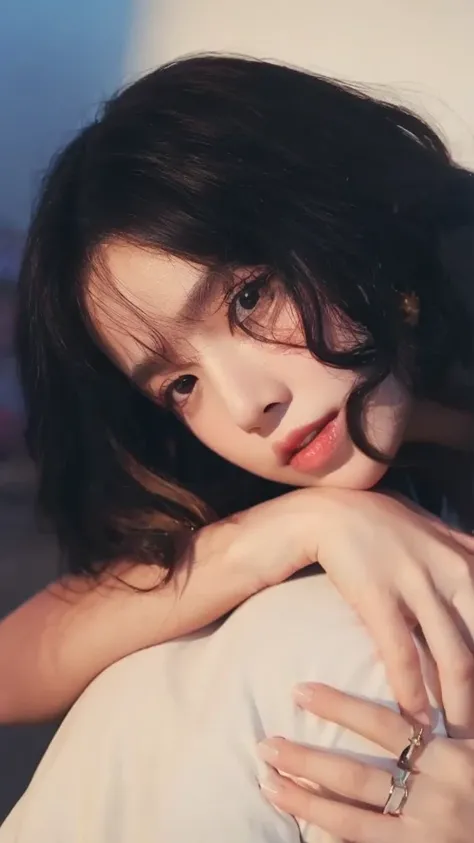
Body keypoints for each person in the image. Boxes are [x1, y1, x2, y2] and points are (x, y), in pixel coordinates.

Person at [0, 54, 473, 838]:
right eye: (180, 383)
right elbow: (14, 664)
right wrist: (294, 528)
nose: (248, 404)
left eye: (250, 297)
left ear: (335, 210)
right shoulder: (307, 492)